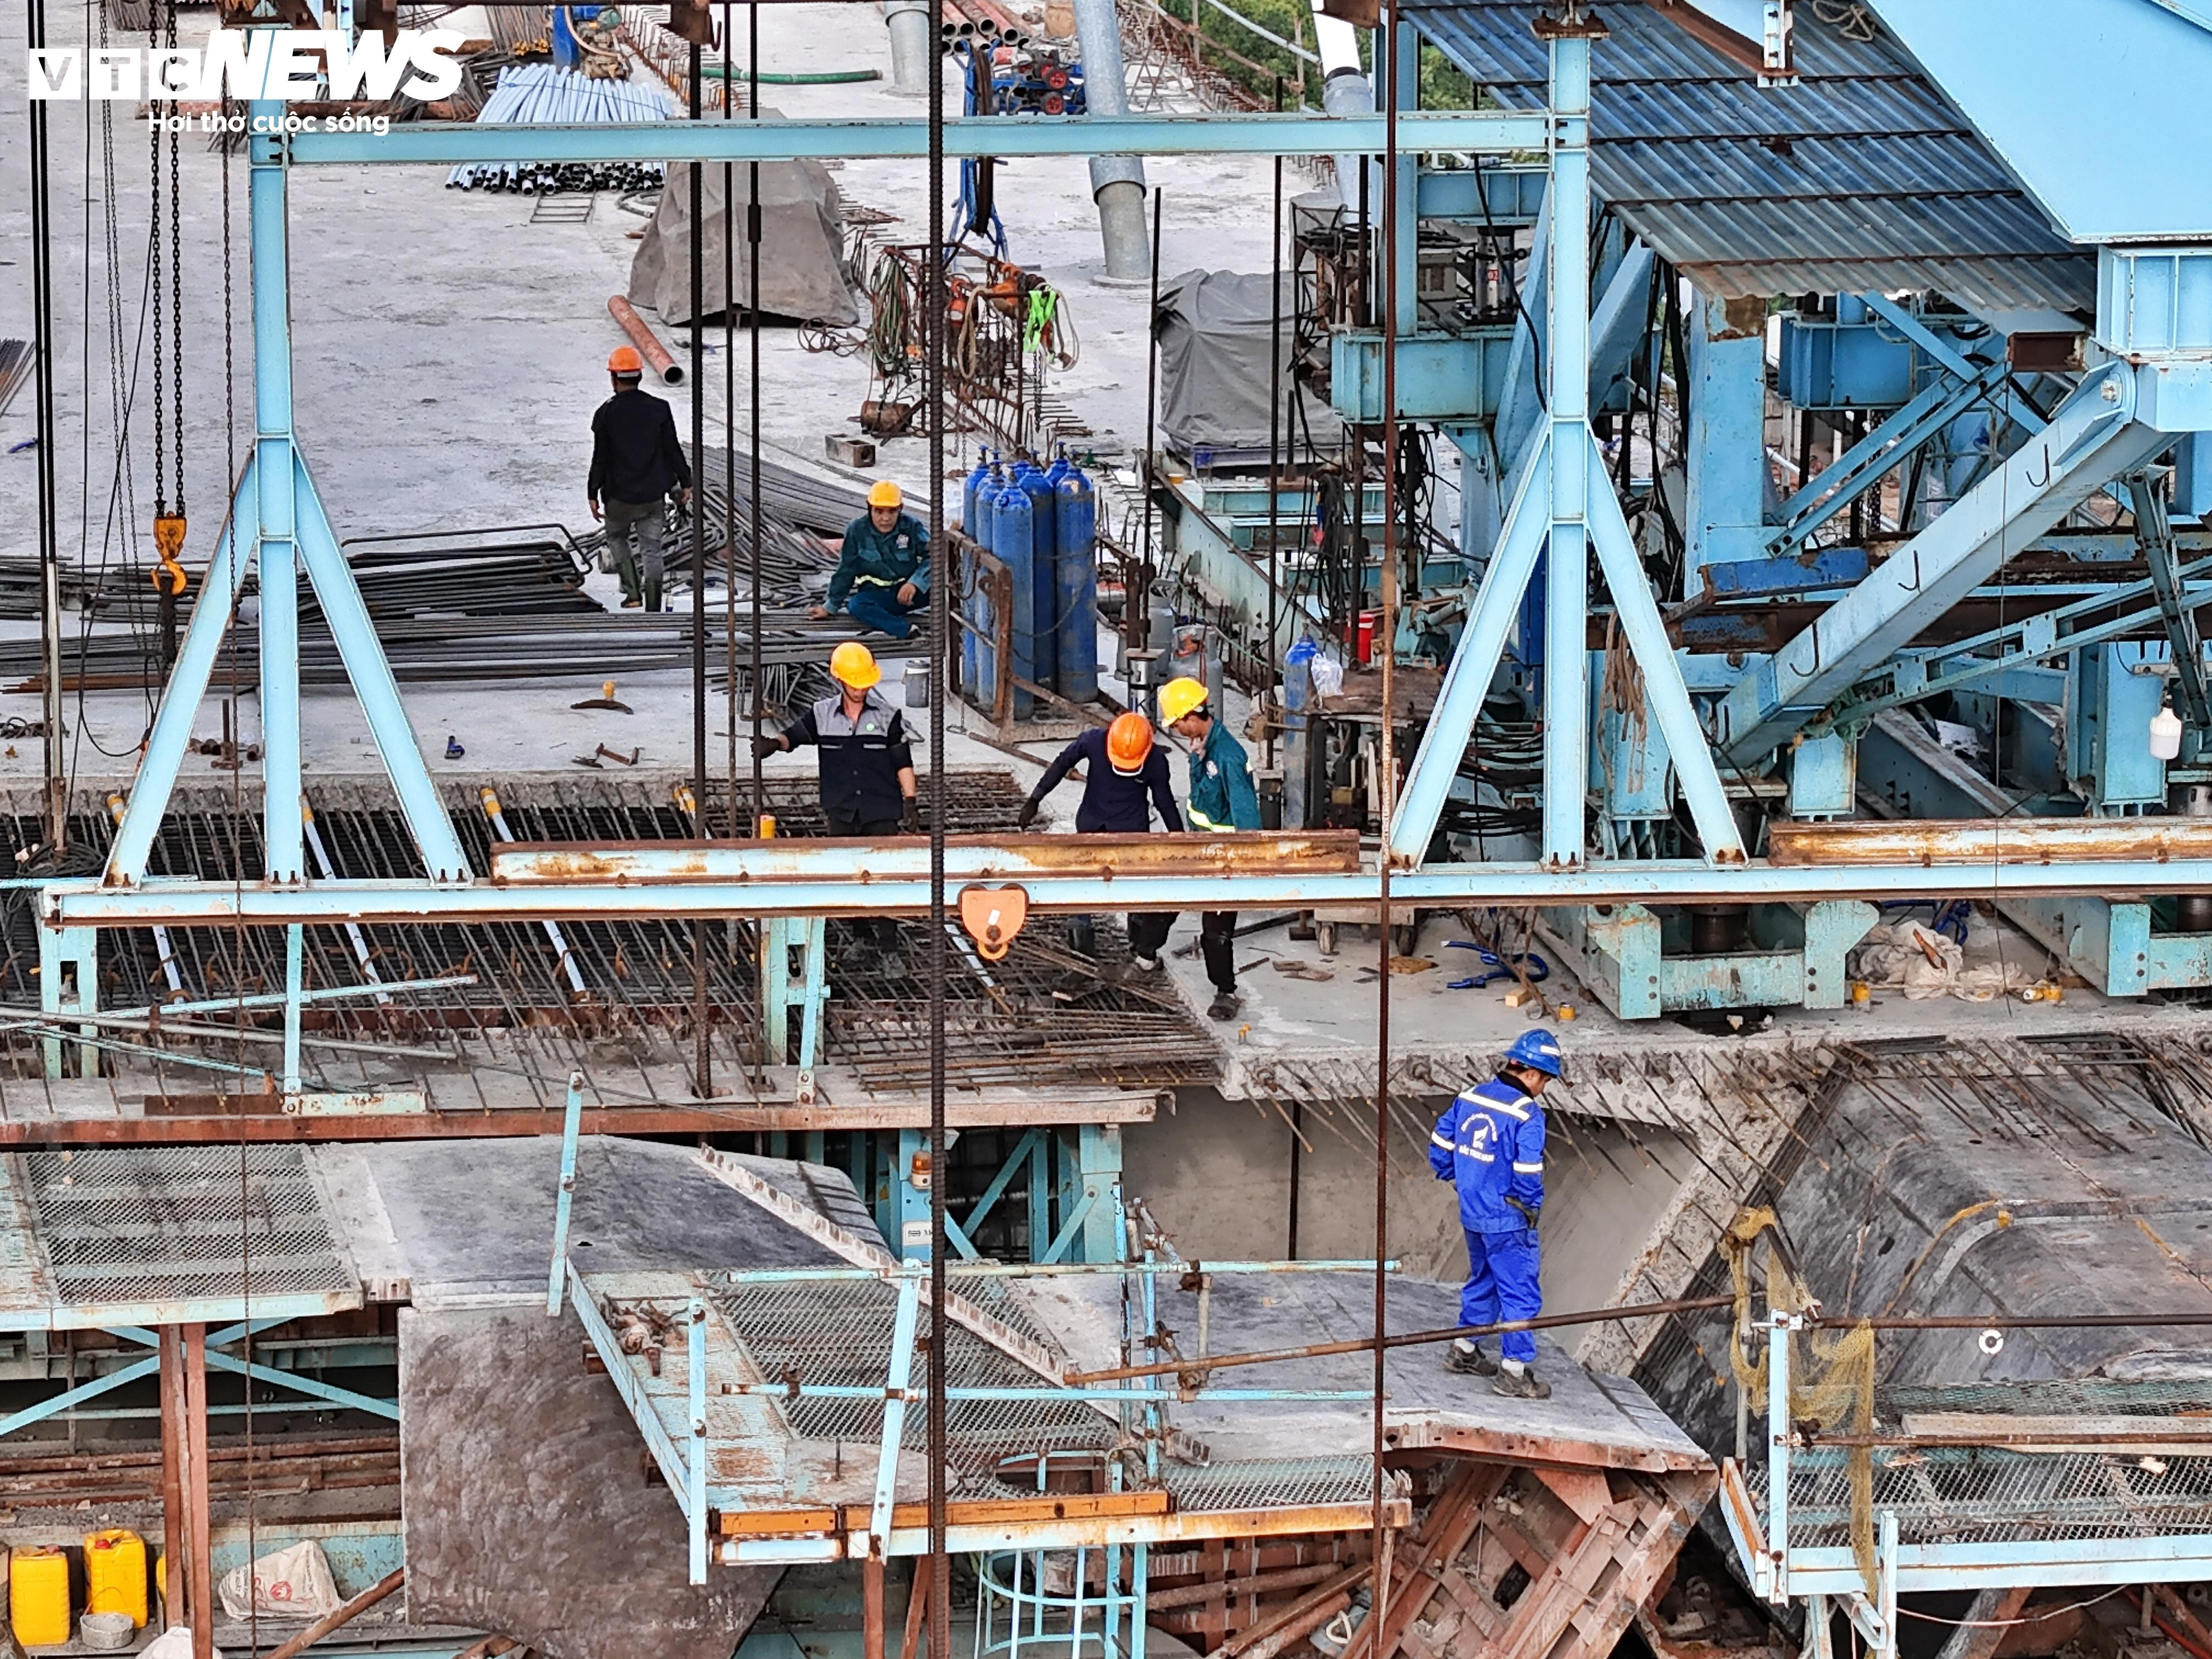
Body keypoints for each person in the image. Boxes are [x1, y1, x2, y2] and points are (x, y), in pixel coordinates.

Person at [756, 641, 921, 968]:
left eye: (864, 684)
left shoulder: (889, 717)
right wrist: (774, 744)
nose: (860, 690)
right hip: (842, 808)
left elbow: (903, 762)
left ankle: (889, 948)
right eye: (854, 684)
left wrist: (911, 801)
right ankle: (862, 938)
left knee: (884, 878)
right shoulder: (822, 715)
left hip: (881, 809)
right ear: (840, 681)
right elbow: (795, 735)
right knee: (849, 876)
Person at [1428, 1030, 1561, 1400]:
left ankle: (1464, 1350)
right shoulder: (1527, 1115)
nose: (1544, 1089)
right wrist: (1530, 1208)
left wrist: (1461, 1182)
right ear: (1533, 1074)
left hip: (1473, 1213)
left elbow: (1440, 1148)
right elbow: (1528, 1173)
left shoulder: (1468, 1097)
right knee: (1519, 1291)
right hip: (1508, 1218)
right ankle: (1514, 1372)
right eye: (1546, 1081)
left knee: (1484, 1280)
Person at [1019, 711, 1183, 968]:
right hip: (1100, 827)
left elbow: (1164, 800)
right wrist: (1035, 799)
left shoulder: (1153, 760)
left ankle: (1122, 944)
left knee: (1126, 885)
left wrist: (1180, 837)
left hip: (1126, 832)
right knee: (1093, 881)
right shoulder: (1095, 742)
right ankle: (1087, 943)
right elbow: (1063, 763)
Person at [1158, 676, 1259, 1022]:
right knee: (1163, 903)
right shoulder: (1203, 747)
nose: (1178, 731)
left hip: (1226, 858)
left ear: (1191, 716)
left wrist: (1247, 862)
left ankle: (1226, 993)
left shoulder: (1229, 756)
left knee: (1216, 932)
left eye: (1178, 724)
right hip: (1201, 851)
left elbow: (1246, 815)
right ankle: (1144, 953)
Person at [586, 345, 691, 613]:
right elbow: (672, 449)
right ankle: (653, 606)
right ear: (640, 377)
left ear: (613, 378)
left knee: (617, 538)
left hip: (618, 497)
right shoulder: (659, 409)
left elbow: (600, 458)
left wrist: (592, 493)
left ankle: (632, 594)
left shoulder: (605, 414)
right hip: (652, 496)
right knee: (652, 549)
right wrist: (686, 482)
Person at [813, 480, 930, 639]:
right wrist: (830, 606)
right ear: (870, 509)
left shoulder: (911, 527)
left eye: (892, 512)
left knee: (945, 588)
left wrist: (915, 583)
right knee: (857, 606)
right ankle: (906, 630)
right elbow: (846, 570)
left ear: (900, 510)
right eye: (879, 512)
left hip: (912, 593)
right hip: (880, 597)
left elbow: (933, 556)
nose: (886, 518)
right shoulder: (857, 531)